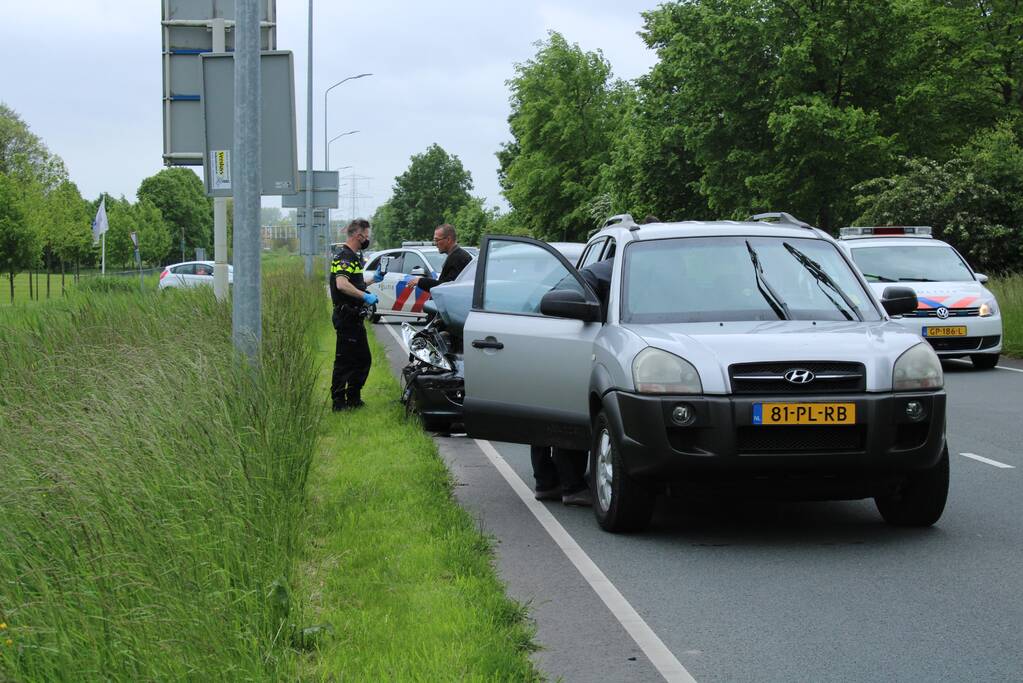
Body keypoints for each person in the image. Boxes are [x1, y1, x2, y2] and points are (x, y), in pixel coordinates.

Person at [329, 218, 384, 411]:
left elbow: (353, 284)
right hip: (346, 317)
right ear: (358, 236)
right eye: (366, 237)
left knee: (362, 359)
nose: (367, 240)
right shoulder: (345, 257)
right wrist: (365, 297)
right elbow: (342, 285)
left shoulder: (354, 257)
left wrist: (371, 281)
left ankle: (353, 398)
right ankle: (338, 402)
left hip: (354, 317)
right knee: (345, 360)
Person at [407, 223, 472, 291]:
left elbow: (446, 287)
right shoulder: (459, 255)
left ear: (448, 239)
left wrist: (420, 281)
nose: (435, 243)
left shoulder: (458, 258)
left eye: (437, 240)